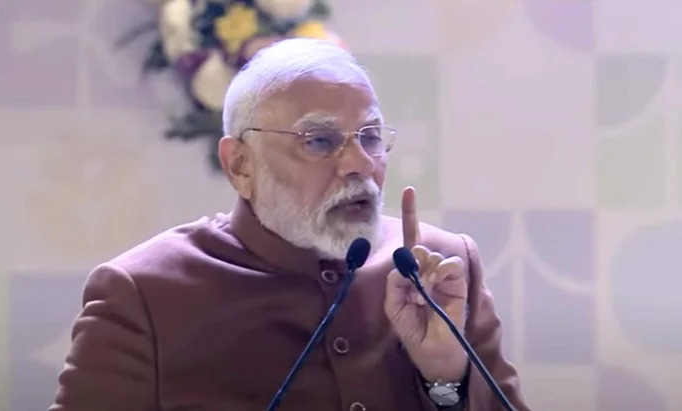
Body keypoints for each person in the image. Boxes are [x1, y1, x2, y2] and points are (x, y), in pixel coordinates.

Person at [49, 38, 530, 411]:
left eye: (370, 136)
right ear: (240, 164)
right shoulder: (143, 295)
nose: (360, 163)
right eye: (319, 140)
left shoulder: (441, 270)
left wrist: (445, 377)